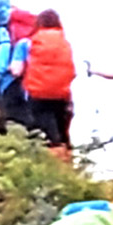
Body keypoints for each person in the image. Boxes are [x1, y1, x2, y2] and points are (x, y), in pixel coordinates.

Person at [15, 10, 78, 148]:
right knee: (61, 135)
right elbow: (73, 72)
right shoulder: (65, 44)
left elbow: (16, 70)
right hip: (62, 95)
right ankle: (64, 161)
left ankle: (49, 162)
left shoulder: (27, 43)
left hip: (37, 95)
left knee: (43, 135)